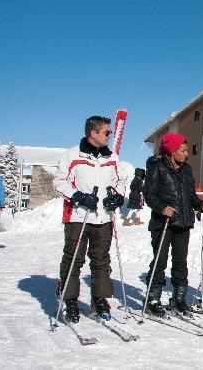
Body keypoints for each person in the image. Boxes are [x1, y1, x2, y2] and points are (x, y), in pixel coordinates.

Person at [53, 116, 123, 323]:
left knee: (101, 260)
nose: (109, 136)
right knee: (74, 259)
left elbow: (119, 181)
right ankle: (70, 300)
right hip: (78, 216)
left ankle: (99, 299)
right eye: (107, 133)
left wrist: (118, 196)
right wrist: (78, 196)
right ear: (94, 133)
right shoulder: (72, 155)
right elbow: (58, 181)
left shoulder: (112, 157)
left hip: (103, 219)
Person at [142, 134, 203, 316]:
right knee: (160, 261)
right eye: (183, 150)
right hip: (163, 222)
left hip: (183, 222)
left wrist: (199, 204)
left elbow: (189, 195)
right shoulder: (157, 167)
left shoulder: (186, 169)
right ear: (172, 151)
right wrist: (162, 208)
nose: (186, 154)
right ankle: (153, 299)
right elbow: (148, 194)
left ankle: (179, 298)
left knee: (180, 262)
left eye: (186, 150)